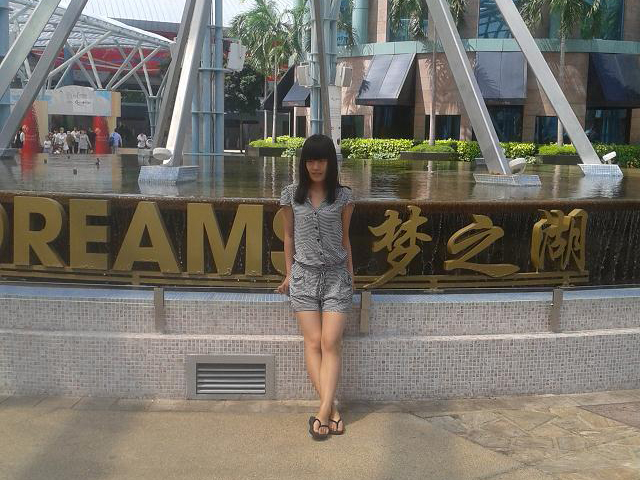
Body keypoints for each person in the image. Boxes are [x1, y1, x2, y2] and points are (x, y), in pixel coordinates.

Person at [276, 134, 355, 440]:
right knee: (313, 342)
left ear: (330, 162)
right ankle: (331, 411)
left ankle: (322, 413)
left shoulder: (344, 197)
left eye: (321, 160)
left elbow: (345, 239)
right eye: (310, 160)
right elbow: (288, 237)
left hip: (336, 277)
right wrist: (289, 275)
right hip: (304, 277)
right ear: (304, 163)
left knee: (330, 341)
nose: (316, 166)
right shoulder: (290, 196)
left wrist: (350, 277)